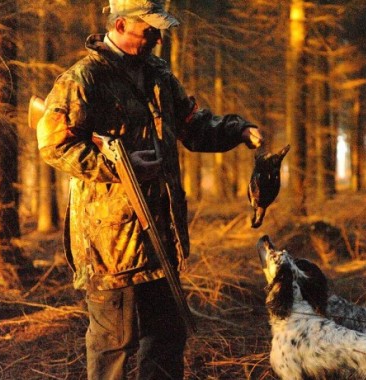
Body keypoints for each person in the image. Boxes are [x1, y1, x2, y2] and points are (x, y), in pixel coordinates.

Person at [35, 1, 263, 379]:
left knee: (167, 337)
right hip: (113, 244)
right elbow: (54, 145)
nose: (157, 37)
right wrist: (118, 167)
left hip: (161, 234)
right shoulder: (83, 79)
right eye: (149, 30)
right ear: (121, 24)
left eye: (159, 30)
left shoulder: (157, 73)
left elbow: (192, 125)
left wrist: (237, 131)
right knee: (114, 344)